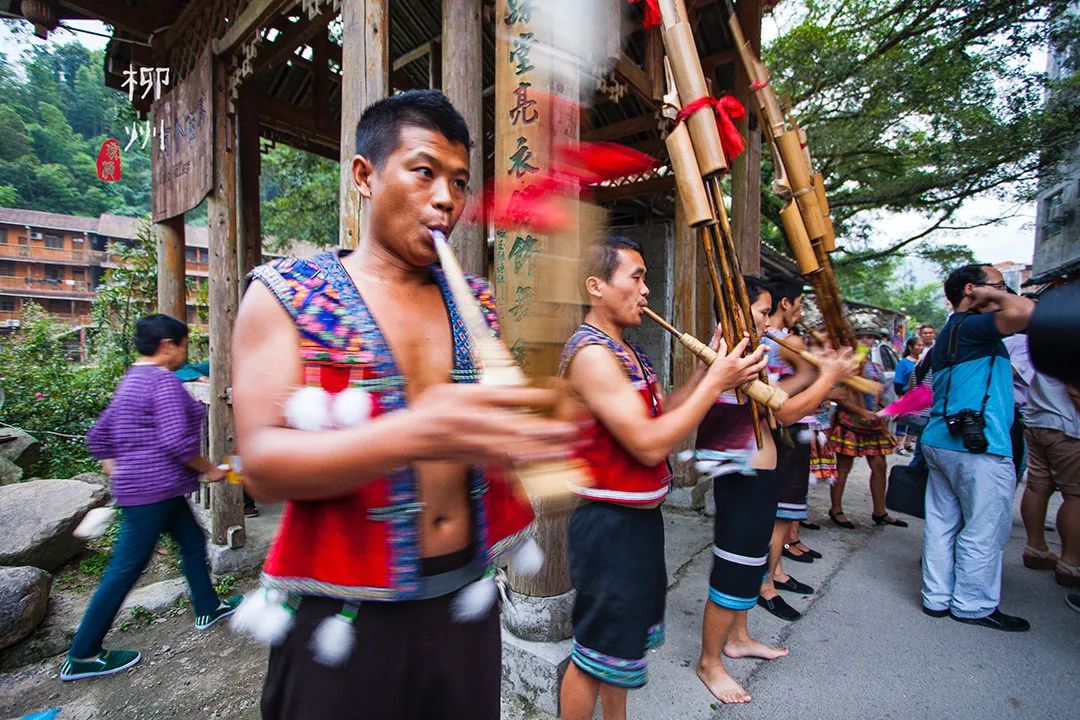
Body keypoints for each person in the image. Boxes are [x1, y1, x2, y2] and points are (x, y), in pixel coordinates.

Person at [231, 90, 576, 719]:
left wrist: (527, 439)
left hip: (465, 602)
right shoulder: (287, 294)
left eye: (460, 182)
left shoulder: (475, 300)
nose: (447, 198)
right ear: (365, 176)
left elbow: (487, 438)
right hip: (343, 616)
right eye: (424, 172)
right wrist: (415, 431)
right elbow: (262, 466)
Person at [557, 236, 765, 719]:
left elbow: (663, 412)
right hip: (608, 527)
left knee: (618, 650)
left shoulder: (629, 353)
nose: (646, 291)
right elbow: (649, 443)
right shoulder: (591, 354)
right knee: (593, 656)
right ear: (596, 287)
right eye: (636, 277)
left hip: (638, 525)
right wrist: (718, 382)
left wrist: (703, 372)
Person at [693, 277, 857, 703]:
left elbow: (773, 401)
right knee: (735, 562)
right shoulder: (731, 352)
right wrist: (829, 376)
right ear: (736, 309)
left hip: (756, 472)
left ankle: (739, 637)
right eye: (763, 312)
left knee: (752, 559)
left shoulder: (749, 349)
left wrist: (811, 374)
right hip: (740, 472)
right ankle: (710, 662)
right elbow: (784, 414)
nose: (769, 322)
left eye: (768, 312)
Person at [61, 314, 242, 682]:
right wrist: (207, 468)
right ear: (167, 346)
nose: (185, 352)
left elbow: (98, 436)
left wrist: (119, 468)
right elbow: (177, 440)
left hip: (159, 490)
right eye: (183, 344)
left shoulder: (131, 380)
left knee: (193, 542)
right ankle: (82, 654)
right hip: (152, 492)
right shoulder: (163, 382)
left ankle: (208, 606)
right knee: (125, 569)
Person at [920, 264, 1035, 631]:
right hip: (979, 445)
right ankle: (973, 605)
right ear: (973, 290)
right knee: (983, 528)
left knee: (942, 524)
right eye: (1000, 286)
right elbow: (1027, 312)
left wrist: (989, 292)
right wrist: (993, 296)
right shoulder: (976, 327)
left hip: (941, 440)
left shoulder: (950, 331)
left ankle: (935, 597)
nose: (1005, 293)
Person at [755, 279, 854, 622]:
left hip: (789, 426)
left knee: (785, 509)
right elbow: (797, 390)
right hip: (786, 428)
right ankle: (766, 583)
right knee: (780, 510)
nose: (799, 311)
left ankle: (776, 571)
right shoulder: (787, 341)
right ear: (786, 304)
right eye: (797, 303)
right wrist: (828, 372)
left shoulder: (779, 340)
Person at [1008, 334, 1080, 588]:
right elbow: (1075, 390)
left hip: (1037, 419)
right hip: (1066, 426)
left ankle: (1036, 547)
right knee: (1075, 496)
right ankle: (1071, 563)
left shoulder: (1046, 341)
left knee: (1038, 486)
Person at [828, 325, 903, 528]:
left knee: (879, 466)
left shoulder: (873, 365)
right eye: (862, 337)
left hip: (873, 423)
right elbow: (839, 397)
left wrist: (883, 410)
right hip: (850, 421)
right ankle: (836, 509)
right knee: (843, 468)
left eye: (871, 337)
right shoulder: (846, 365)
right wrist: (861, 412)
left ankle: (880, 511)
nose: (867, 341)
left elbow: (879, 392)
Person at [893, 337, 924, 455]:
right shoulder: (903, 363)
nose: (920, 348)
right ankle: (900, 445)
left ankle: (908, 442)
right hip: (906, 395)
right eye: (918, 345)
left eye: (922, 345)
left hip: (920, 396)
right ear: (910, 347)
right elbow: (898, 381)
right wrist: (901, 396)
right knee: (903, 420)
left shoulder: (922, 362)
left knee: (915, 420)